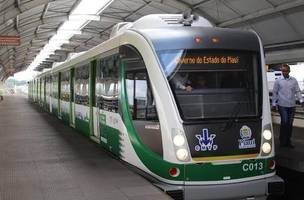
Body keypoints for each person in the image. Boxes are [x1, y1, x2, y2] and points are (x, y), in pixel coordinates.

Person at [272, 64, 304, 148]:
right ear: (281, 71)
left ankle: (288, 141)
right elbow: (275, 93)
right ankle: (282, 141)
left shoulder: (294, 80)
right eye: (283, 71)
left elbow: (297, 91)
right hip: (282, 105)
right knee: (285, 122)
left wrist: (301, 100)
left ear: (289, 71)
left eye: (286, 71)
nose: (284, 72)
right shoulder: (278, 81)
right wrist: (274, 104)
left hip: (292, 105)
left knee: (290, 124)